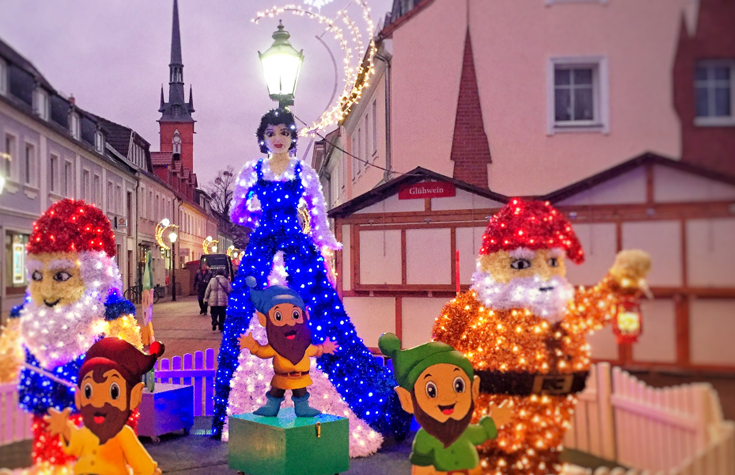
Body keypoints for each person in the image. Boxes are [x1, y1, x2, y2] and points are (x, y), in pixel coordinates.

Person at [211, 108, 410, 440]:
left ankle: (319, 398)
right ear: (263, 137)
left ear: (291, 138)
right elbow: (237, 211)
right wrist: (258, 217)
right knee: (248, 313)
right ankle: (244, 403)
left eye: (284, 133)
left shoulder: (305, 172)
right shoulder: (251, 170)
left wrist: (327, 240)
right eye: (272, 133)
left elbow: (317, 214)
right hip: (262, 248)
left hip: (296, 248)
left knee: (318, 311)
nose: (277, 139)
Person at [433, 198, 651, 475]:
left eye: (551, 262)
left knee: (540, 465)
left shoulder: (560, 309)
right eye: (523, 263)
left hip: (547, 427)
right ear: (494, 263)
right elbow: (438, 351)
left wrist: (620, 282)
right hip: (486, 429)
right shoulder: (471, 309)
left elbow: (596, 304)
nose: (541, 276)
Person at [0, 199, 143, 469]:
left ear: (92, 273)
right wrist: (6, 356)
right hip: (46, 410)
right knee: (51, 461)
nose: (47, 291)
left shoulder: (111, 312)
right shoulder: (28, 316)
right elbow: (2, 367)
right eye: (38, 276)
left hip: (99, 413)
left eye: (61, 276)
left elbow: (132, 362)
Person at [379, 333, 512, 475]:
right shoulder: (425, 439)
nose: (447, 397)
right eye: (431, 391)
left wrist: (493, 422)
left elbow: (483, 433)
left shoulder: (465, 431)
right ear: (408, 401)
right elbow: (422, 468)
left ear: (473, 389)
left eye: (458, 386)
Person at [45, 337, 165, 475]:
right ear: (79, 396)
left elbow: (140, 462)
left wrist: (150, 471)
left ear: (134, 396)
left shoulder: (122, 434)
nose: (99, 402)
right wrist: (65, 429)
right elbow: (77, 444)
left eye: (114, 392)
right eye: (88, 392)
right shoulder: (87, 430)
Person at [238, 276, 337, 416]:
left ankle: (302, 408)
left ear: (305, 316)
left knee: (301, 392)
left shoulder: (303, 345)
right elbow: (262, 351)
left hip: (300, 378)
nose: (290, 323)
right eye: (278, 317)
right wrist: (253, 346)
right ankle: (271, 407)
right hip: (280, 376)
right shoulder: (275, 346)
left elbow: (315, 350)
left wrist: (324, 348)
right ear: (264, 320)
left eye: (295, 315)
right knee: (276, 392)